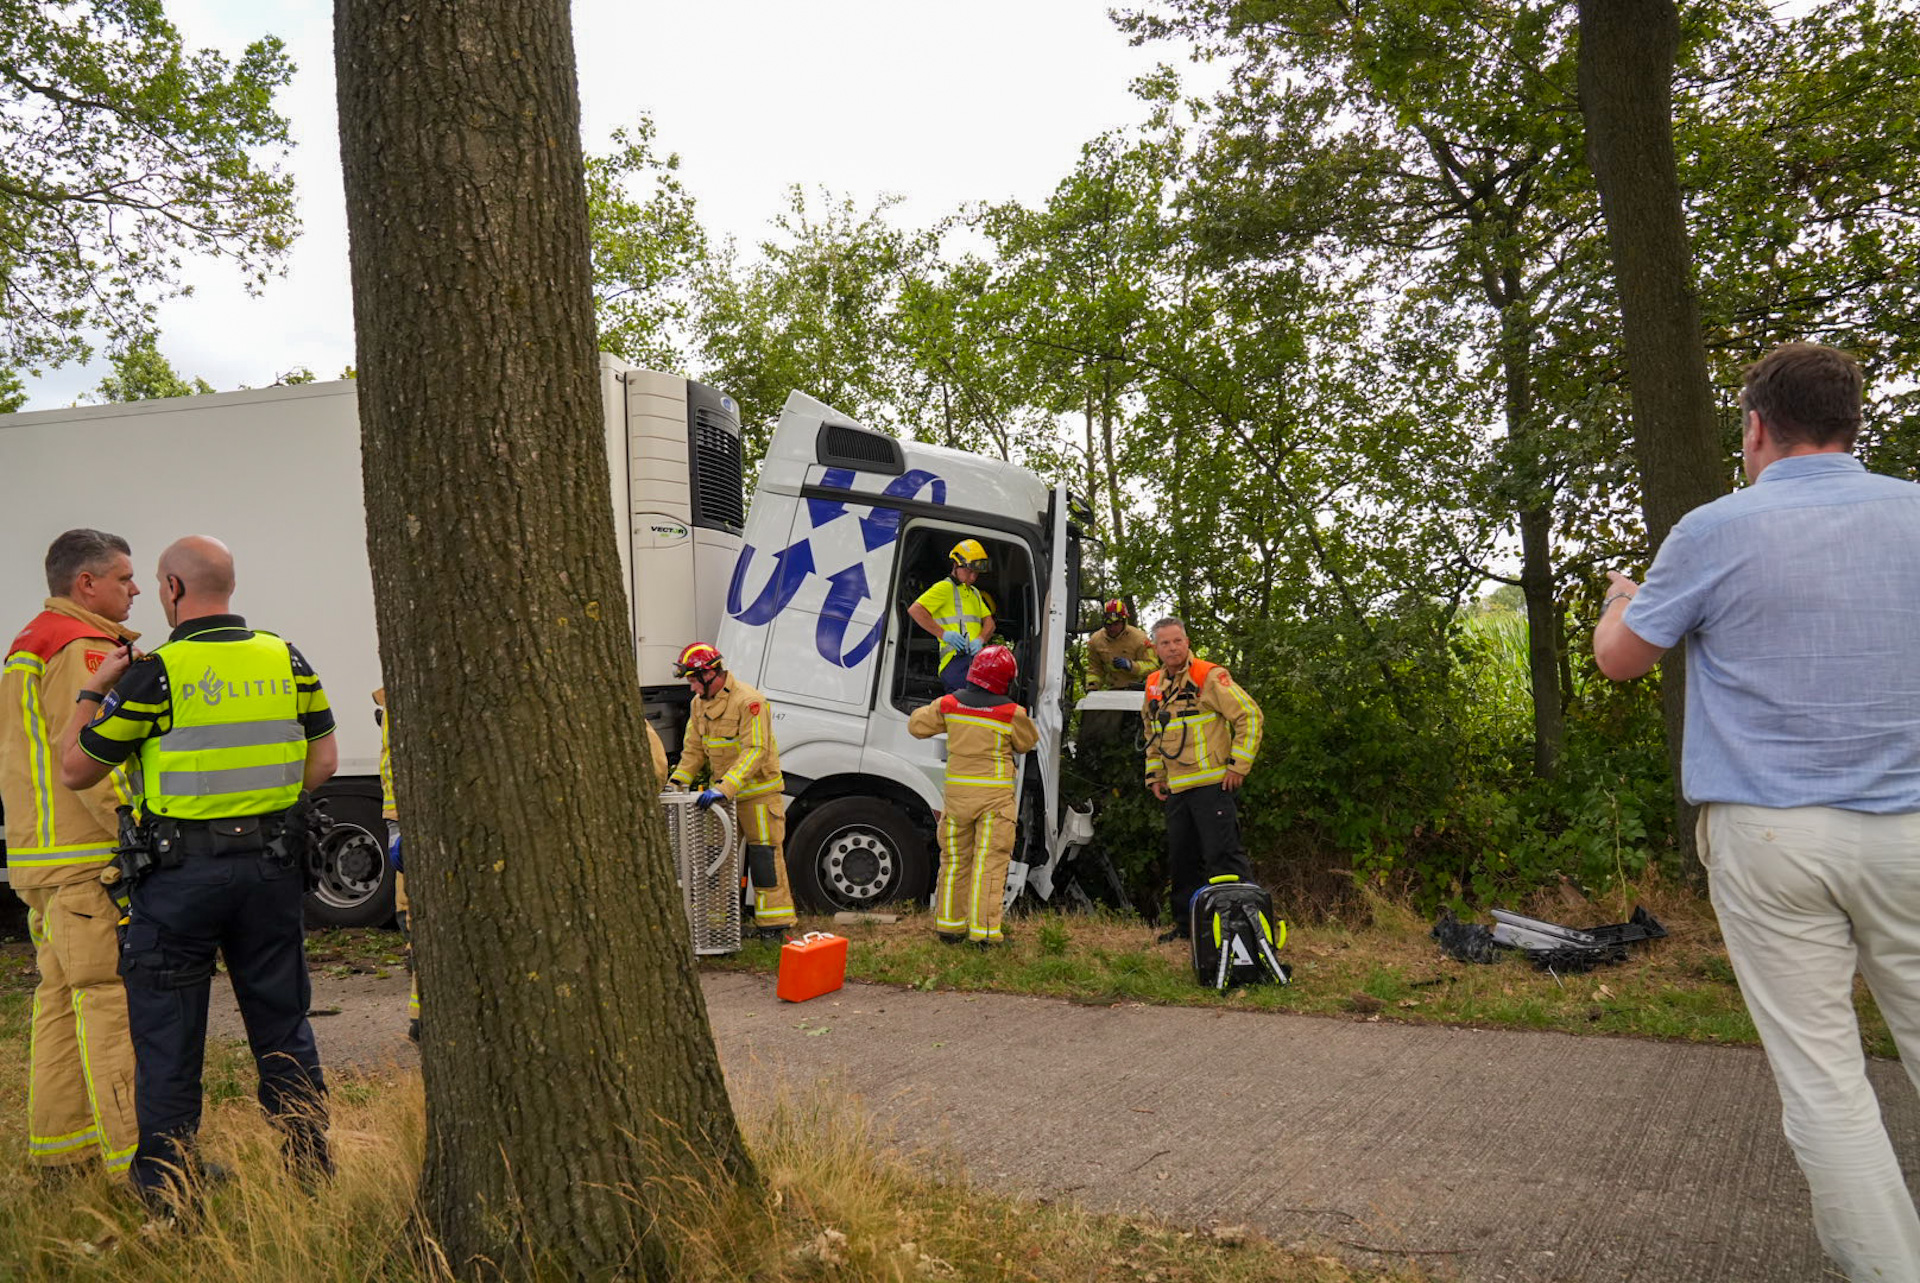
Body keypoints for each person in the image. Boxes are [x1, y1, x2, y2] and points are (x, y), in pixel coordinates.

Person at [1593, 343, 1920, 1282]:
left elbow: (1622, 657)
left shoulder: (1713, 530)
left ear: (1755, 427)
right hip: (1909, 825)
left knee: (1825, 1080)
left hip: (1773, 835)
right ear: (1853, 424)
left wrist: (1626, 599)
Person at [59, 535, 335, 1211]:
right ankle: (309, 1168)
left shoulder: (156, 674)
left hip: (179, 877)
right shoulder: (286, 657)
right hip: (271, 871)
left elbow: (76, 768)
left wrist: (93, 691)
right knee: (283, 1023)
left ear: (174, 589)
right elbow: (323, 758)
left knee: (169, 1035)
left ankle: (170, 1193)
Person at [1, 529, 142, 1179]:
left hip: (41, 858)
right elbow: (85, 756)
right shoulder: (82, 647)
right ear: (85, 583)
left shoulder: (30, 641)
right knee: (108, 1000)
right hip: (86, 857)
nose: (135, 589)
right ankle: (138, 1160)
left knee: (60, 1000)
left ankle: (65, 1152)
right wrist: (135, 829)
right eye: (123, 577)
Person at [908, 645, 1039, 948]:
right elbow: (1027, 742)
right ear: (1007, 680)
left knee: (954, 861)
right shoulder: (1011, 713)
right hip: (994, 801)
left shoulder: (950, 705)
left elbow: (916, 725)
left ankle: (949, 928)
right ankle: (985, 934)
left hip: (956, 800)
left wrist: (945, 707)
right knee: (988, 864)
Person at [1141, 618, 1263, 941]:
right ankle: (1188, 929)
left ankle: (1243, 931)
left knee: (1223, 860)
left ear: (1187, 641)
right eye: (1164, 643)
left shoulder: (1208, 676)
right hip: (1178, 789)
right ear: (1155, 647)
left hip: (1213, 787)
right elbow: (1152, 732)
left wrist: (1239, 765)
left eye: (1177, 641)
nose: (1172, 648)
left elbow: (1248, 715)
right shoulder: (1154, 683)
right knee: (1182, 863)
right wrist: (1155, 774)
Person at [666, 641, 796, 938]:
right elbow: (693, 751)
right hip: (721, 799)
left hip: (758, 795)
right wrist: (676, 784)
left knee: (765, 859)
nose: (691, 688)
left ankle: (774, 927)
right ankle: (717, 928)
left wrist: (726, 787)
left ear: (710, 674)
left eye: (693, 680)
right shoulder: (698, 704)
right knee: (715, 861)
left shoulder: (750, 701)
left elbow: (756, 750)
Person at [908, 538, 996, 694]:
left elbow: (990, 624)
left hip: (973, 661)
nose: (973, 577)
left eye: (976, 572)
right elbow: (916, 610)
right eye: (969, 571)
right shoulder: (945, 587)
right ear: (956, 565)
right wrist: (944, 634)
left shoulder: (974, 593)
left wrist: (981, 639)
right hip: (955, 662)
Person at [1087, 599, 1157, 692]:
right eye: (1108, 624)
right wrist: (1092, 688)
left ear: (1124, 621)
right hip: (1112, 690)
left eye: (1116, 624)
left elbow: (1153, 666)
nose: (1112, 628)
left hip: (1137, 690)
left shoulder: (1140, 638)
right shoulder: (1096, 640)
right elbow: (1094, 669)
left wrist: (1131, 666)